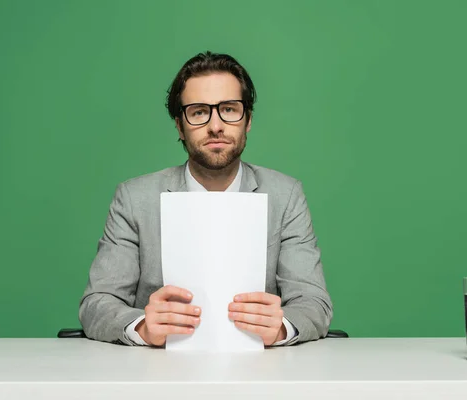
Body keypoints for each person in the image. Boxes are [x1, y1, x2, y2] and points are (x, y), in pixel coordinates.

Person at [79, 51, 332, 347]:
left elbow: (314, 302)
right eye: (199, 111)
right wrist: (143, 327)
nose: (215, 125)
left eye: (229, 108)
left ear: (247, 120)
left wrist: (281, 328)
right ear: (179, 126)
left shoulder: (285, 195)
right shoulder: (135, 199)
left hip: (258, 374)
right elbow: (97, 302)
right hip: (157, 375)